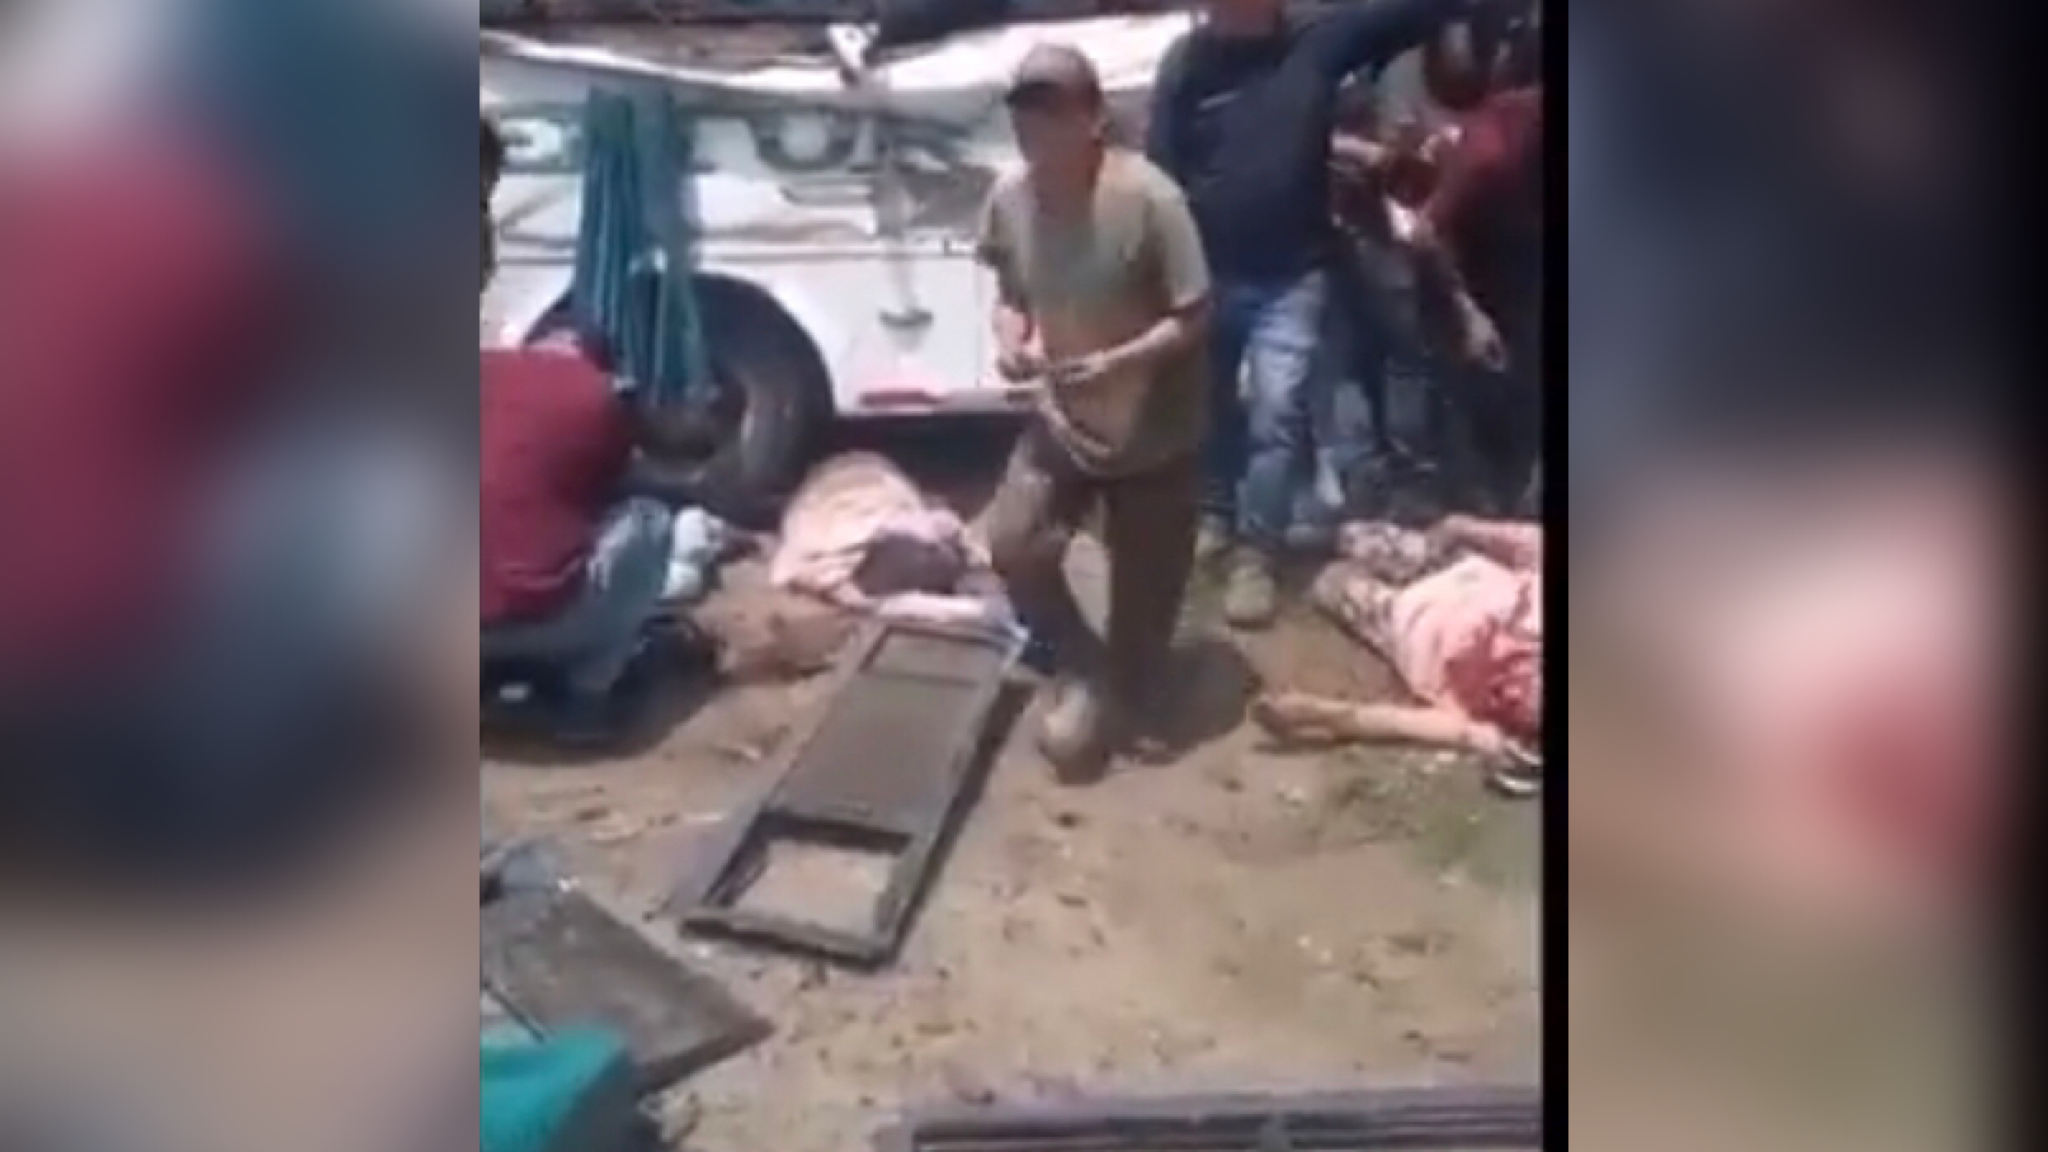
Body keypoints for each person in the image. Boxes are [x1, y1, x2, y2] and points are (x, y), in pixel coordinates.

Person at [1145, 0, 1503, 628]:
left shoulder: (1316, 43)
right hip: (1209, 275)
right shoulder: (1185, 65)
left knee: (1278, 413)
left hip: (1292, 276)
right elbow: (1160, 172)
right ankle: (1215, 516)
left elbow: (1402, 16)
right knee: (1213, 406)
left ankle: (1257, 552)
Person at [975, 44, 1213, 784]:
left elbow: (1195, 316)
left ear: (1093, 119)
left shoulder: (1151, 200)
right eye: (1024, 110)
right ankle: (1081, 664)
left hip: (1156, 425)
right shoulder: (1009, 198)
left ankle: (1128, 683)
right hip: (1064, 414)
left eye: (1052, 110)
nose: (1034, 125)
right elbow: (1011, 295)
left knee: (1144, 622)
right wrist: (1011, 340)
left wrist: (1122, 361)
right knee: (1012, 540)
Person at [1252, 513, 1541, 794]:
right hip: (1455, 569)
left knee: (1325, 581)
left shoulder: (1493, 731)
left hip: (1397, 616)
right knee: (1349, 538)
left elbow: (1403, 724)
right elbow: (1532, 544)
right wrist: (1468, 527)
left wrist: (1318, 713)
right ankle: (1270, 535)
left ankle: (1278, 550)